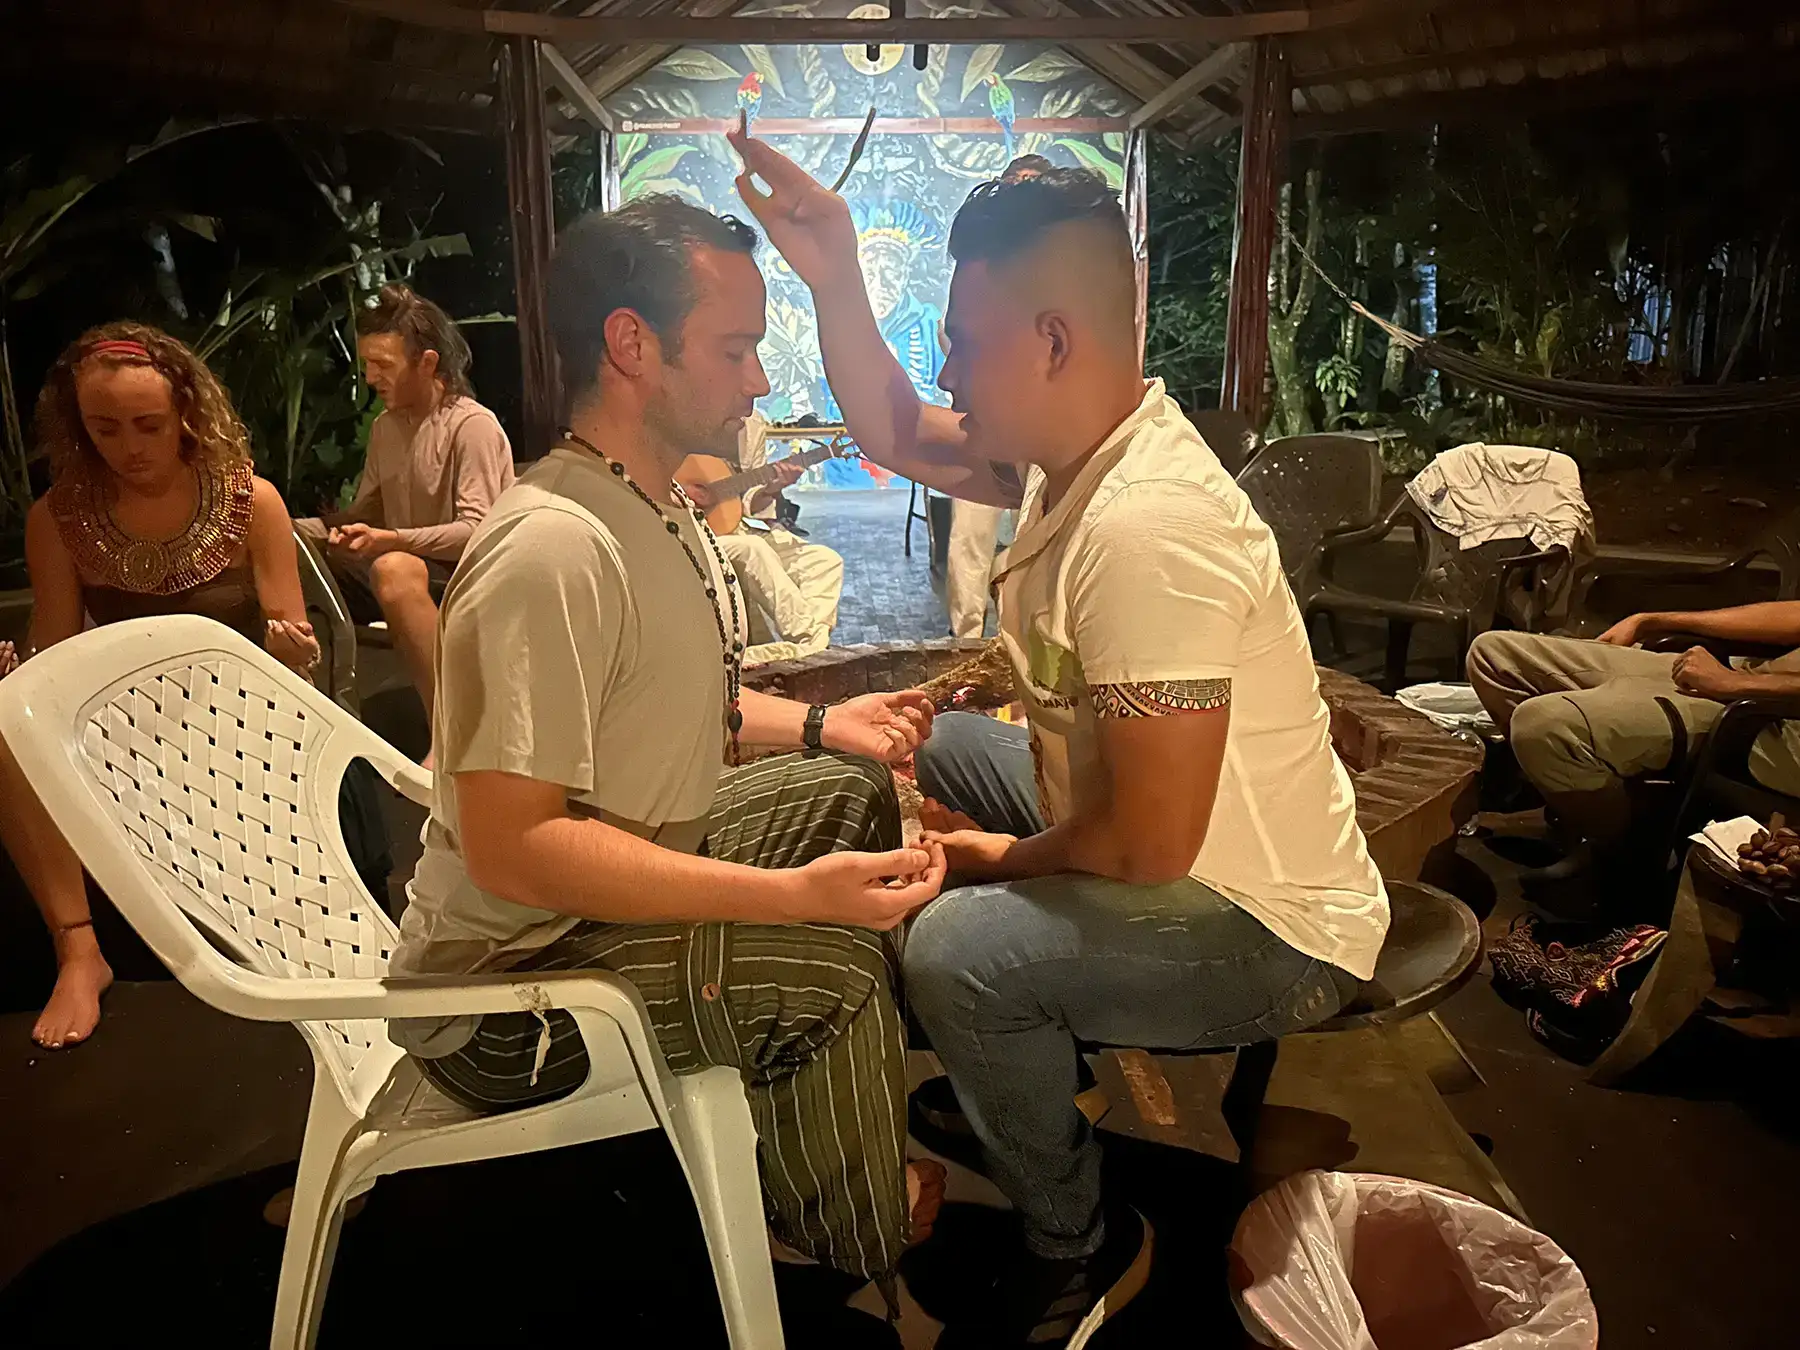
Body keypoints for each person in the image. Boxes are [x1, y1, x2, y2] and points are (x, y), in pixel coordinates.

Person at [734, 128, 1388, 1347]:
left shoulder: (1147, 529)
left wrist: (984, 865)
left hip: (1265, 920)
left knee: (961, 949)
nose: (949, 373)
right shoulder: (1072, 457)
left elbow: (1144, 842)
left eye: (964, 344)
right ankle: (1026, 1077)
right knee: (911, 756)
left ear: (1051, 342)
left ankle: (1078, 1234)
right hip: (1168, 844)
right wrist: (830, 270)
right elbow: (891, 427)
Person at [386, 196, 950, 1298]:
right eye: (736, 349)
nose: (758, 383)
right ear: (632, 345)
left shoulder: (649, 503)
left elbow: (682, 699)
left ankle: (802, 1130)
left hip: (595, 911)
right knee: (829, 962)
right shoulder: (553, 547)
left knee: (846, 793)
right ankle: (837, 1228)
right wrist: (789, 901)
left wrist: (835, 725)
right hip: (510, 989)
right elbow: (514, 850)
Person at [0, 323, 325, 1049]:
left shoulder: (252, 501)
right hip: (121, 724)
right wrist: (22, 676)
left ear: (187, 413)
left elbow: (294, 649)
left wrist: (285, 645)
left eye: (148, 425)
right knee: (6, 729)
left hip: (234, 713)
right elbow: (55, 645)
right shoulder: (57, 518)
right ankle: (79, 948)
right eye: (105, 429)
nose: (130, 446)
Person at [294, 284, 514, 723]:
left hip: (469, 576)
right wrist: (290, 529)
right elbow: (367, 513)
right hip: (403, 566)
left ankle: (453, 731)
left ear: (427, 362)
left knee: (393, 568)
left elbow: (478, 532)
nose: (371, 377)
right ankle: (309, 719)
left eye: (382, 365)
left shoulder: (472, 426)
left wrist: (391, 540)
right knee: (282, 547)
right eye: (367, 364)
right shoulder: (386, 429)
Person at [1469, 606, 1800, 892]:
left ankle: (1625, 860)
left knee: (1541, 725)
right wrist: (1652, 620)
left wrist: (1736, 685)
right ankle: (1597, 811)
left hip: (1775, 718)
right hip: (1757, 674)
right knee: (1492, 655)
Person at [944, 155, 1047, 640]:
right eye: (1013, 187)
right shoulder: (982, 277)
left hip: (1041, 439)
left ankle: (1017, 649)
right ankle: (965, 642)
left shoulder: (1062, 271)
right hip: (986, 432)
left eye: (1029, 188)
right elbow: (893, 427)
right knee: (971, 536)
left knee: (1037, 546)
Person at [695, 410, 845, 663]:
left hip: (739, 526)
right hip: (693, 534)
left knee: (825, 561)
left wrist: (773, 487)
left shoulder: (753, 423)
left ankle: (802, 651)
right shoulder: (683, 414)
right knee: (752, 549)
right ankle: (809, 644)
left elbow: (749, 502)